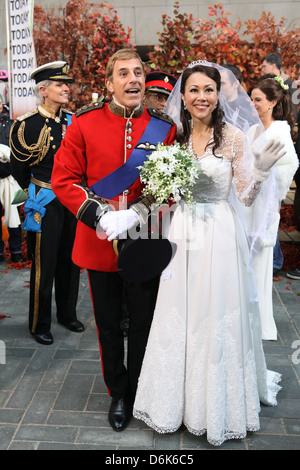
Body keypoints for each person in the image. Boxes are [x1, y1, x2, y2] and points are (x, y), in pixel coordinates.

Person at [133, 61, 283, 447]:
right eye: (194, 90)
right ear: (182, 96)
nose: (201, 97)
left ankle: (216, 407)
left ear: (219, 95)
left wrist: (262, 171)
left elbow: (246, 194)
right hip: (182, 233)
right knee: (179, 312)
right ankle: (174, 403)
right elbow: (161, 191)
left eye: (209, 90)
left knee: (215, 313)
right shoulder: (175, 138)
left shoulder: (233, 138)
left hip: (219, 232)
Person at [51, 48, 176, 432]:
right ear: (109, 83)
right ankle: (118, 392)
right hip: (99, 237)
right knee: (107, 323)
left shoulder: (163, 127)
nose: (133, 79)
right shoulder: (84, 124)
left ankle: (140, 387)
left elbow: (172, 183)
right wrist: (101, 214)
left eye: (138, 72)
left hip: (144, 236)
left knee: (143, 321)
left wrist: (136, 213)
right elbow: (64, 180)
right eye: (123, 73)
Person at [9, 61, 84, 346]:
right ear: (43, 90)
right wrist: (35, 195)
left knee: (71, 260)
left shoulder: (73, 121)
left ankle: (67, 314)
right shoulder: (27, 124)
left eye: (67, 84)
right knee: (44, 264)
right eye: (59, 84)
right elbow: (19, 168)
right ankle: (39, 323)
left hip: (72, 201)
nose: (66, 88)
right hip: (45, 201)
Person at [249, 77, 298, 339]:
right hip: (244, 202)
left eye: (258, 99)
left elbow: (287, 170)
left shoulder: (280, 132)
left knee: (259, 263)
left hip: (263, 207)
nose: (254, 103)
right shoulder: (250, 130)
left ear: (273, 102)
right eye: (252, 99)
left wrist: (264, 176)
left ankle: (258, 322)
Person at [0, 98, 23, 263]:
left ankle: (16, 251)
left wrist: (11, 168)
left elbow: (20, 149)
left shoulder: (12, 124)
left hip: (11, 177)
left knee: (14, 213)